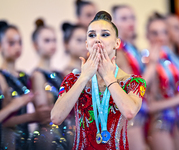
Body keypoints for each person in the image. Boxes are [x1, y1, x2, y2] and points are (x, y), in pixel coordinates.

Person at [51, 11, 146, 150]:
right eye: (92, 35)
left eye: (105, 34)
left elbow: (130, 112)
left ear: (117, 43)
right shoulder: (73, 79)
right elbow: (56, 118)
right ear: (87, 44)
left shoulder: (133, 82)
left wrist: (108, 76)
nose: (97, 39)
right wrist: (84, 77)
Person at [145, 12, 179, 150]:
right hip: (161, 122)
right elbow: (147, 104)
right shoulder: (148, 62)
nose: (160, 37)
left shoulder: (175, 60)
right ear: (147, 35)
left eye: (164, 32)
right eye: (154, 33)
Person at [112, 5, 159, 150]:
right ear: (114, 23)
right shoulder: (117, 52)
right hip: (128, 115)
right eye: (124, 18)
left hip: (142, 111)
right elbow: (134, 86)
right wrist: (152, 65)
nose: (130, 22)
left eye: (132, 17)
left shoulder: (133, 49)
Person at [0, 21, 51, 150]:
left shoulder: (24, 76)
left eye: (20, 42)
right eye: (11, 43)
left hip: (24, 141)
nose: (17, 47)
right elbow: (4, 121)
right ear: (1, 45)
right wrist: (29, 115)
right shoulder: (1, 77)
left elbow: (40, 108)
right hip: (6, 140)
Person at [30, 19, 68, 150]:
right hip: (49, 133)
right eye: (47, 40)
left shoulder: (59, 73)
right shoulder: (37, 75)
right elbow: (44, 111)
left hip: (65, 129)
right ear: (36, 45)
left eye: (54, 40)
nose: (52, 44)